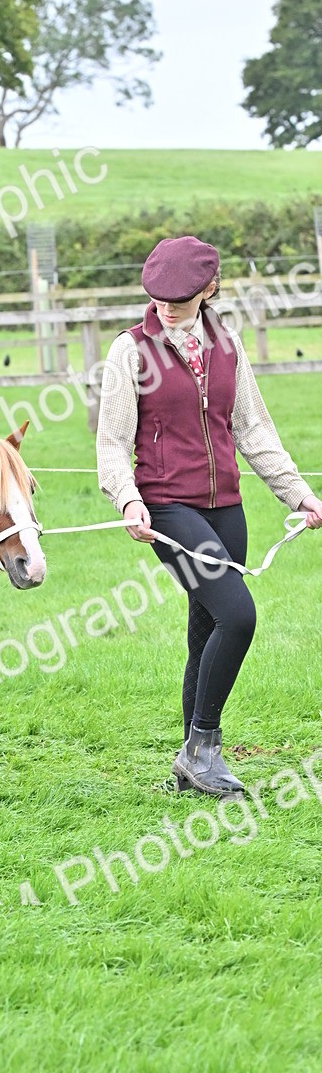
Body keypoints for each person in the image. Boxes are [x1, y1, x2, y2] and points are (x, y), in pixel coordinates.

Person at [96, 235, 322, 796]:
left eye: (180, 298)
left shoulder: (228, 345)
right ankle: (203, 748)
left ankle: (189, 766)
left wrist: (299, 494)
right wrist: (128, 499)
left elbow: (252, 428)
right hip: (167, 506)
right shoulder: (131, 351)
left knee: (206, 632)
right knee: (238, 617)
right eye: (159, 298)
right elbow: (112, 442)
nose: (167, 307)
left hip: (227, 509)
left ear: (209, 289)